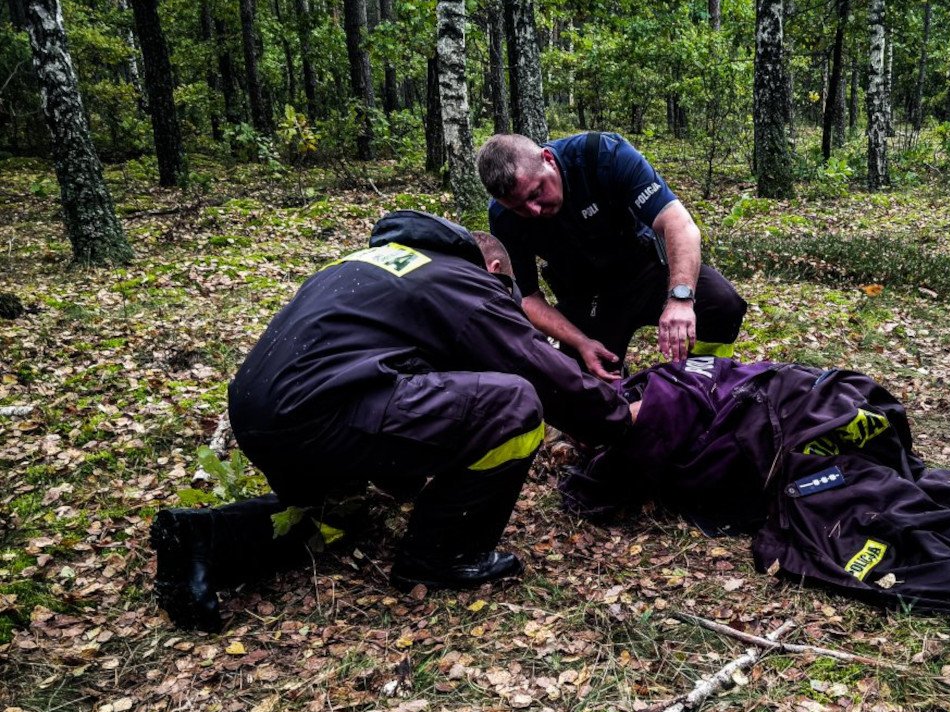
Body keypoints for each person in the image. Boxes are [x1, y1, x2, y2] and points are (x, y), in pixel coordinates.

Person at [150, 212, 634, 632]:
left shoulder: (377, 263)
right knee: (516, 405)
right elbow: (534, 366)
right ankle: (440, 555)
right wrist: (616, 418)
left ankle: (205, 537)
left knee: (339, 515)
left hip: (261, 413)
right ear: (492, 270)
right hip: (321, 412)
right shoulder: (459, 280)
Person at [561, 356, 950, 621]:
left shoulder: (650, 402)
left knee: (848, 513)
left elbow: (598, 492)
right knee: (871, 495)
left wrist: (582, 474)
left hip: (792, 421)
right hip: (815, 399)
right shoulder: (663, 376)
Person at [477, 132, 748, 381]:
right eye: (519, 207)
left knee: (721, 303)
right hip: (587, 296)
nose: (533, 211)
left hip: (647, 270)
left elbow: (678, 222)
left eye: (536, 193)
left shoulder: (603, 155)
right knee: (587, 388)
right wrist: (581, 341)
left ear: (547, 159)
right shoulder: (503, 217)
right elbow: (527, 298)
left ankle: (704, 379)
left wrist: (680, 298)